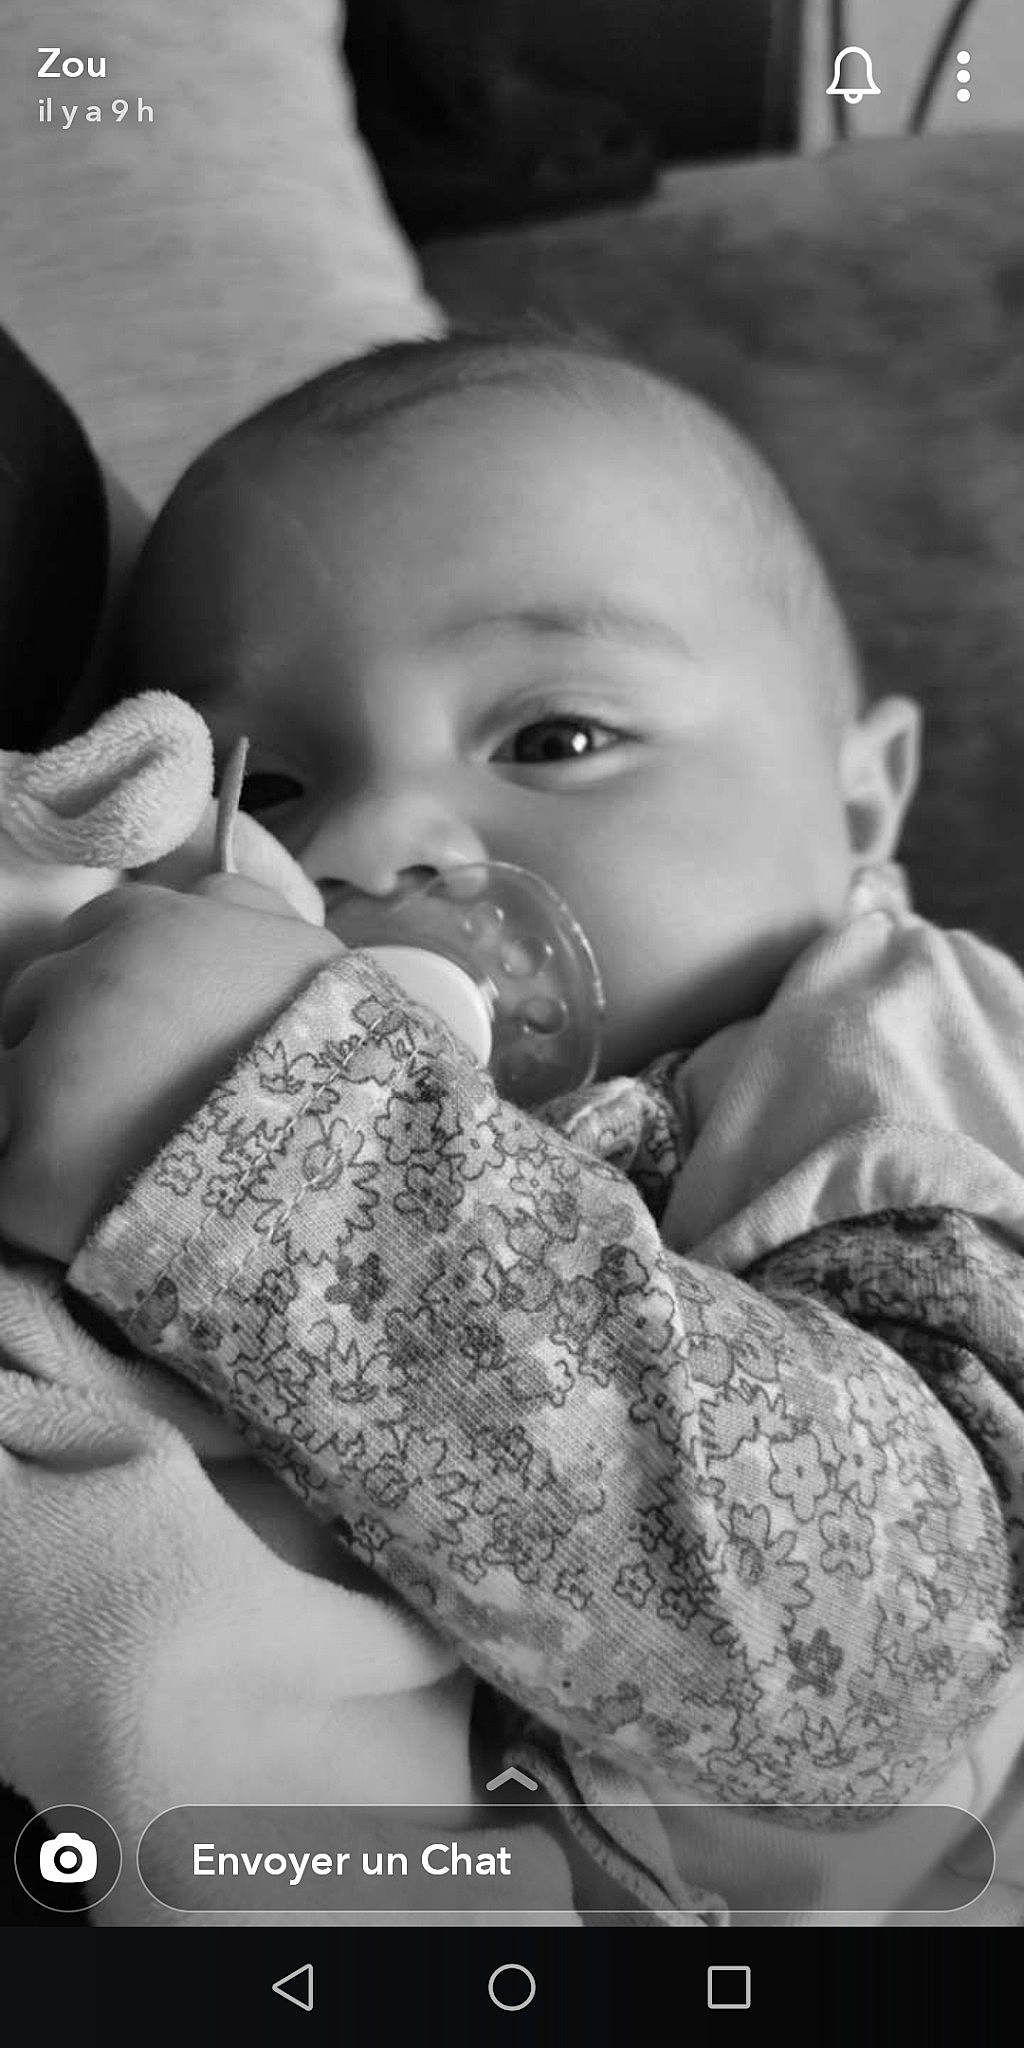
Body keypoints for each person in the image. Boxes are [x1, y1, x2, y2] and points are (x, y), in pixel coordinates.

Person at [2, 331, 1023, 1925]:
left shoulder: (880, 1052)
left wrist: (277, 1149)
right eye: (270, 790)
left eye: (555, 738)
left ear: (867, 802)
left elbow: (880, 1652)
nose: (368, 842)